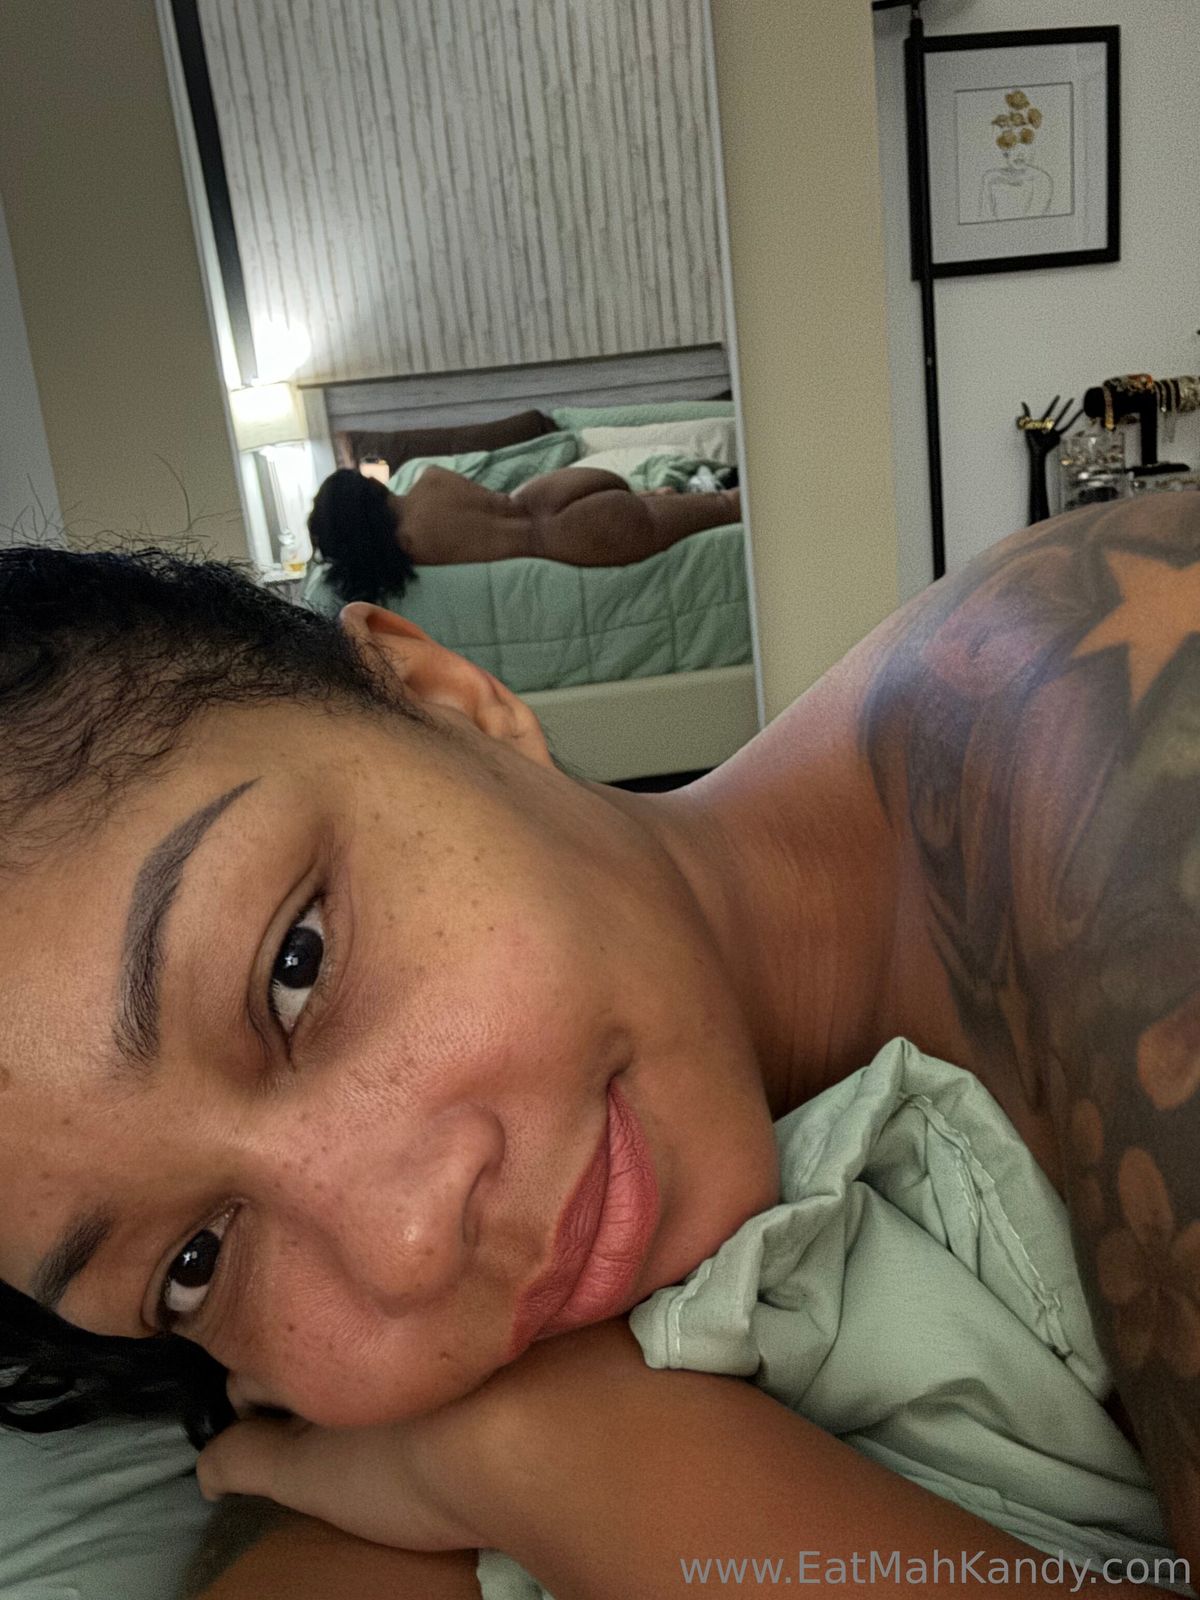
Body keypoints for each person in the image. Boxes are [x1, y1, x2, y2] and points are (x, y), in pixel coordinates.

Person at [1, 492, 1199, 1598]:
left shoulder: (1125, 797)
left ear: (447, 700)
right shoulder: (354, 1430)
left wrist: (566, 1463)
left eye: (296, 966)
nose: (406, 1247)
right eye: (194, 1260)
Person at [307, 463, 742, 605]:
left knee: (727, 507)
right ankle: (662, 495)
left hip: (565, 536)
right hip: (549, 494)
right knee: (723, 504)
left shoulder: (411, 545)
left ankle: (664, 498)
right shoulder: (430, 477)